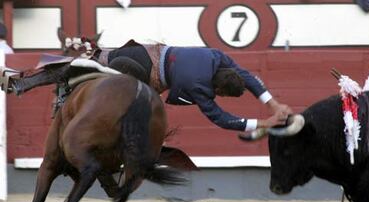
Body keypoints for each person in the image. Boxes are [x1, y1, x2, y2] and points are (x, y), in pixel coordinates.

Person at [5, 41, 292, 131]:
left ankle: (27, 82)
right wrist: (265, 123)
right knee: (92, 71)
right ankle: (28, 84)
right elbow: (220, 118)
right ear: (218, 91)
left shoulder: (217, 57)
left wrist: (273, 103)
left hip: (144, 50)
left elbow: (248, 75)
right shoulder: (201, 89)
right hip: (141, 72)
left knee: (92, 61)